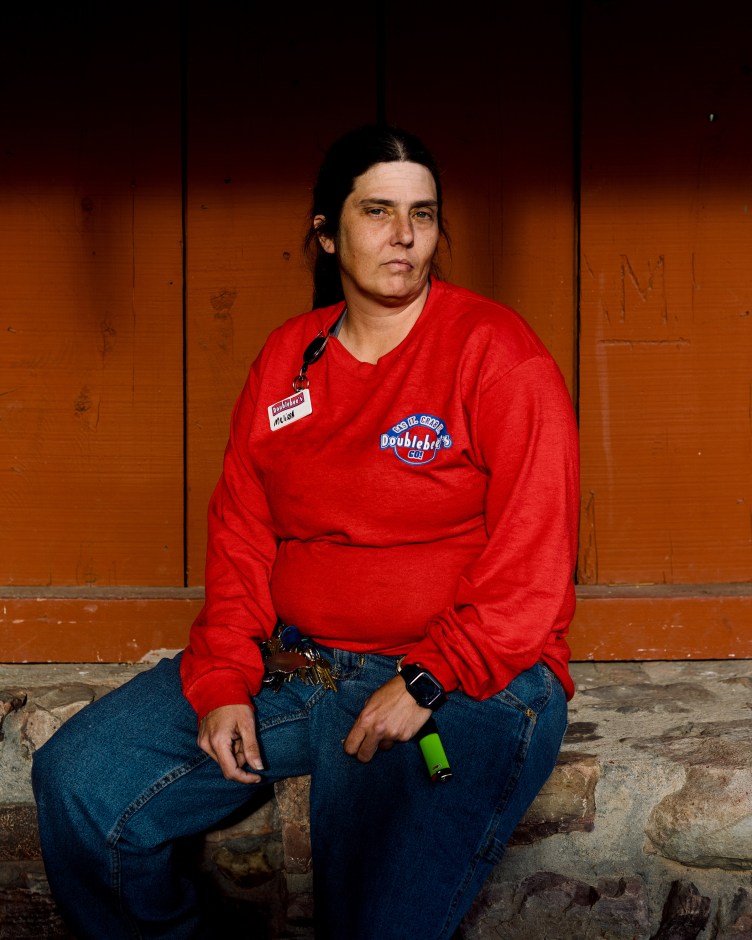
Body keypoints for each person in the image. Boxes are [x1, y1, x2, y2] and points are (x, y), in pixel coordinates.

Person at [32, 124, 580, 940]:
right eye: (377, 211)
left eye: (422, 214)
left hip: (466, 678)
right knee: (80, 780)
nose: (404, 235)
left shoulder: (496, 354)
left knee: (372, 922)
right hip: (302, 666)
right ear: (327, 232)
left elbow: (534, 564)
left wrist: (429, 680)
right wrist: (222, 681)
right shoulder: (288, 359)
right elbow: (242, 535)